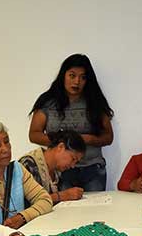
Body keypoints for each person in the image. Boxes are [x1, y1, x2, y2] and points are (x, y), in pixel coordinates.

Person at [29, 54, 114, 191]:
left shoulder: (95, 102)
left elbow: (108, 137)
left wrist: (88, 139)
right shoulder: (48, 102)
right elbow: (34, 134)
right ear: (63, 75)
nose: (77, 82)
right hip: (60, 170)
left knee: (95, 210)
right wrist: (61, 142)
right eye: (72, 75)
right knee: (62, 209)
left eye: (83, 77)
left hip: (92, 168)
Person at [19, 130, 86, 204]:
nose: (73, 166)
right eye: (73, 159)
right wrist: (62, 196)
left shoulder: (57, 170)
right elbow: (24, 203)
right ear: (61, 147)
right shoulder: (28, 164)